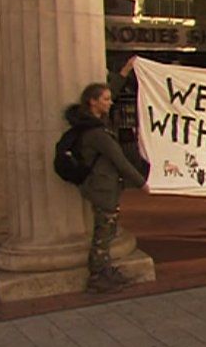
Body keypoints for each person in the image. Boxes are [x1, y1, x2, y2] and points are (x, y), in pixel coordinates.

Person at [64, 82, 149, 293]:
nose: (110, 103)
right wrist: (142, 183)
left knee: (107, 229)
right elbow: (119, 160)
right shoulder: (97, 133)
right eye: (105, 99)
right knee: (104, 231)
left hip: (102, 185)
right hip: (103, 188)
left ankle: (104, 270)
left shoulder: (91, 126)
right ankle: (99, 274)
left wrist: (122, 74)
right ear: (93, 102)